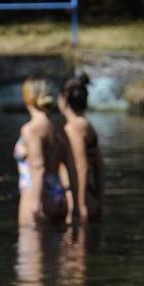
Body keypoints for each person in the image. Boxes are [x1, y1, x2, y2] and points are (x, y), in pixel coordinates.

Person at [14, 76, 78, 227]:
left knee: (29, 247)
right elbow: (71, 166)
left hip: (36, 198)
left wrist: (36, 205)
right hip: (58, 196)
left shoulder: (31, 129)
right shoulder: (59, 128)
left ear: (27, 97)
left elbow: (38, 167)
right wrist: (73, 203)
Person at [58, 73, 103, 223]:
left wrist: (80, 205)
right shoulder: (87, 125)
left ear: (63, 99)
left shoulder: (73, 128)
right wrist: (99, 198)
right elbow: (99, 167)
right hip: (89, 195)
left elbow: (82, 167)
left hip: (77, 196)